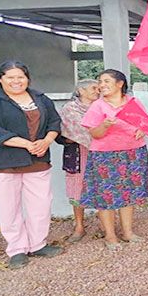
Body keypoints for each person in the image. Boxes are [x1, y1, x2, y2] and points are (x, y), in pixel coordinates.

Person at [0, 60, 63, 269]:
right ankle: (17, 249)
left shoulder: (40, 98)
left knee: (40, 205)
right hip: (2, 162)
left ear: (27, 78)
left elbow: (54, 122)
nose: (16, 81)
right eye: (10, 77)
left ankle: (38, 244)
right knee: (9, 208)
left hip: (38, 160)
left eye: (20, 77)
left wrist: (46, 141)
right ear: (0, 79)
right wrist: (26, 144)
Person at [80, 69, 148, 251]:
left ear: (120, 84)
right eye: (100, 81)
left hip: (133, 153)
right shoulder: (97, 106)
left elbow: (145, 123)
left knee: (129, 193)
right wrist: (104, 125)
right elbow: (94, 134)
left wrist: (143, 128)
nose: (101, 85)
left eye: (106, 81)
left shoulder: (133, 103)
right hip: (105, 156)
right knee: (106, 196)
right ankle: (110, 235)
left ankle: (127, 232)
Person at [58, 79, 100, 243]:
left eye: (98, 88)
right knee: (77, 188)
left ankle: (105, 224)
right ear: (81, 91)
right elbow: (75, 130)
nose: (97, 91)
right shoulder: (70, 109)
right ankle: (79, 226)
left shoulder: (102, 106)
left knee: (101, 186)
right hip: (77, 152)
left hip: (101, 151)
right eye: (93, 88)